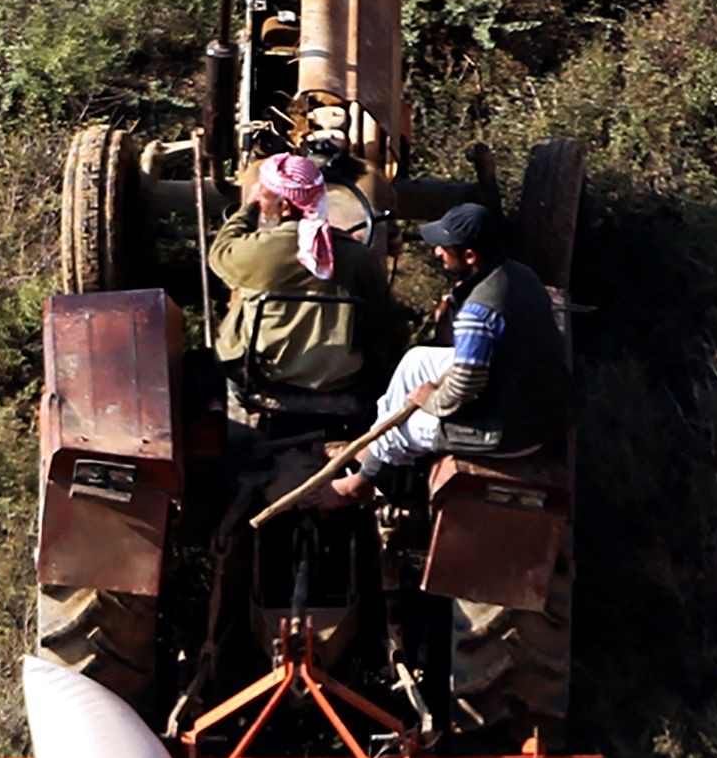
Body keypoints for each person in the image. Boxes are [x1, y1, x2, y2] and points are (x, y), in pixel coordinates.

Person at [310, 198, 567, 502]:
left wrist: (429, 400)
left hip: (506, 430)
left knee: (400, 428)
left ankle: (360, 485)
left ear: (470, 255)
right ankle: (377, 448)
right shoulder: (521, 275)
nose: (437, 252)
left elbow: (464, 387)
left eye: (445, 247)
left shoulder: (478, 311)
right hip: (527, 395)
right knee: (416, 360)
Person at [203, 150, 379, 399]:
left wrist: (248, 209)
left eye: (263, 196)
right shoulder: (359, 256)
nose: (261, 202)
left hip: (267, 373)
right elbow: (382, 318)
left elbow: (218, 253)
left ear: (284, 206)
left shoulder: (256, 252)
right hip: (340, 380)